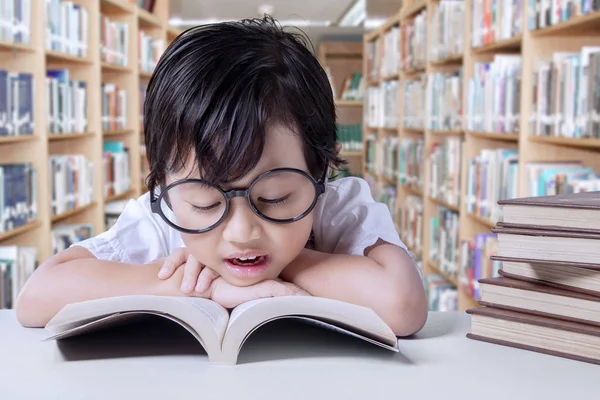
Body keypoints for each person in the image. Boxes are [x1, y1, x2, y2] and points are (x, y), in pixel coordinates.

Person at [15, 16, 428, 336]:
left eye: (276, 198)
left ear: (320, 170)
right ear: (163, 184)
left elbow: (403, 305)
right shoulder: (160, 220)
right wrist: (194, 285)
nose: (242, 233)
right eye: (206, 203)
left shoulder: (338, 207)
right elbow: (36, 299)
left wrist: (281, 265)